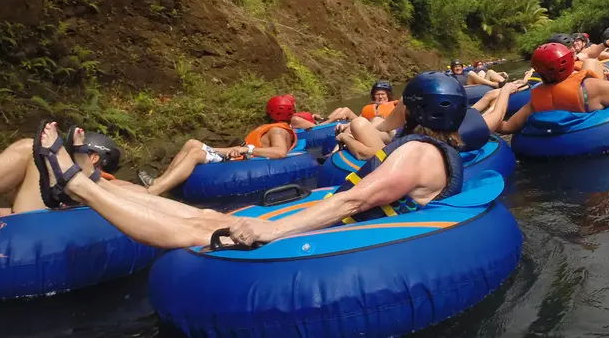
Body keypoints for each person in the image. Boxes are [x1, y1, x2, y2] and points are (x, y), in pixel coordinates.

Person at [34, 72, 472, 250]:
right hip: (349, 219)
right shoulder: (436, 149)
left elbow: (353, 203)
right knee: (204, 215)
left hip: (347, 230)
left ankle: (82, 188)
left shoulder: (415, 152)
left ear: (413, 110)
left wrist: (272, 227)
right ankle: (99, 185)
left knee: (201, 228)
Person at [140, 95, 299, 196]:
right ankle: (158, 182)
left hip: (241, 163)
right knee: (193, 144)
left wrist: (247, 149)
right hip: (239, 157)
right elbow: (238, 150)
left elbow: (280, 152)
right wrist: (212, 149)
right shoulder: (279, 129)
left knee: (196, 153)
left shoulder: (277, 130)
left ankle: (154, 192)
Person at [335, 74, 523, 160]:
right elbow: (495, 113)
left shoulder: (470, 128)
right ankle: (362, 128)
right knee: (372, 123)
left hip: (404, 140)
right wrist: (504, 90)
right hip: (404, 133)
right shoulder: (466, 120)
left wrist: (344, 136)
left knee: (362, 124)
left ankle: (355, 130)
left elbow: (369, 155)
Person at [496, 43, 609, 132]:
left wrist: (501, 96)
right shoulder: (593, 86)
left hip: (581, 102)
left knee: (591, 63)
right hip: (593, 99)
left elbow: (507, 127)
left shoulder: (536, 101)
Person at [320, 80, 399, 124]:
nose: (380, 97)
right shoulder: (371, 106)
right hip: (364, 124)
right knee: (342, 109)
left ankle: (325, 122)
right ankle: (323, 123)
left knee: (346, 110)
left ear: (388, 95)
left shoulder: (395, 105)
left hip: (379, 128)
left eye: (383, 94)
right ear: (373, 96)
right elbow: (361, 117)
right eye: (377, 94)